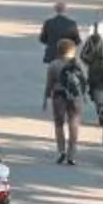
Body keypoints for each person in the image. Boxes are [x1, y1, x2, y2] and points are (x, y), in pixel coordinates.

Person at [42, 37, 86, 166]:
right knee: (74, 124)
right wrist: (84, 96)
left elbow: (49, 83)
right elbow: (83, 81)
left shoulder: (54, 64)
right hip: (75, 98)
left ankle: (61, 151)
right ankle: (71, 154)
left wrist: (46, 98)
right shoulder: (78, 64)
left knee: (59, 124)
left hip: (59, 96)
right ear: (73, 51)